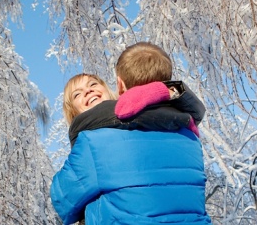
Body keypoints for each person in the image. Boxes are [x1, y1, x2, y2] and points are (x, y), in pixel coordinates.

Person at [50, 42, 211, 224]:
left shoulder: (94, 142)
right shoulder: (188, 133)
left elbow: (63, 200)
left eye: (93, 84)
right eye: (77, 94)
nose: (88, 91)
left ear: (117, 86)